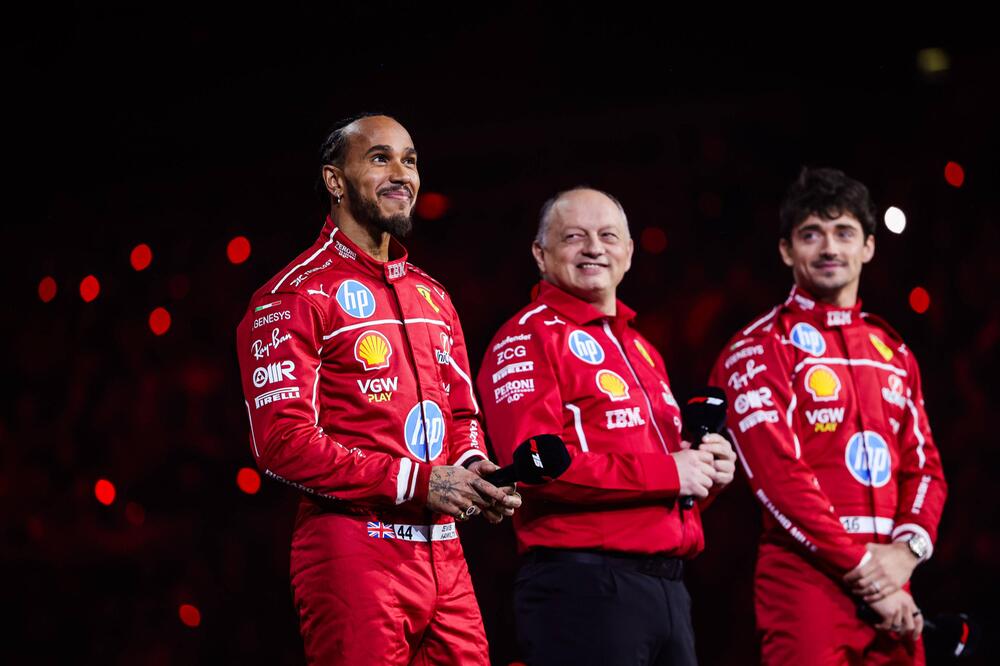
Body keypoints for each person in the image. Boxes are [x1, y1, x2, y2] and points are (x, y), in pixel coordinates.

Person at [236, 113, 520, 665]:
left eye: (410, 159)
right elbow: (282, 443)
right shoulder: (292, 296)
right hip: (352, 550)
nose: (401, 173)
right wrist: (417, 481)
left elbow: (460, 412)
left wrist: (474, 464)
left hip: (445, 553)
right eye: (380, 158)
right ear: (334, 181)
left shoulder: (433, 296)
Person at [476, 187, 737, 665]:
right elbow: (536, 468)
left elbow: (666, 473)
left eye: (608, 236)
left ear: (629, 253)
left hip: (668, 589)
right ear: (541, 253)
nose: (594, 247)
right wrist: (670, 472)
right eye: (574, 236)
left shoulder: (642, 348)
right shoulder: (526, 337)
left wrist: (705, 476)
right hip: (584, 588)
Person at [709, 167, 948, 664]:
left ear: (868, 247)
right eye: (811, 234)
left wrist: (906, 553)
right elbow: (779, 478)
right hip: (806, 584)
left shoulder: (894, 351)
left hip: (893, 579)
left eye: (844, 233)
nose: (829, 248)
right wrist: (869, 573)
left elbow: (924, 468)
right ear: (786, 250)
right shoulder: (757, 348)